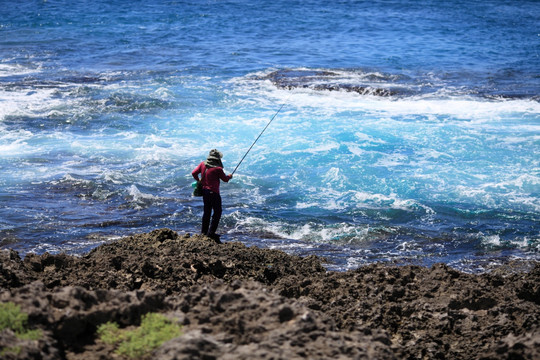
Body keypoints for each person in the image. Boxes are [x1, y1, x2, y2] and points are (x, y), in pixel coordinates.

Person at [192, 149, 232, 243]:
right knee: (217, 212)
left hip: (205, 192)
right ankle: (211, 233)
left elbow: (194, 173)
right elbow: (225, 179)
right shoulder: (218, 169)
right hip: (214, 193)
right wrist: (230, 176)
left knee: (207, 212)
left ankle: (204, 232)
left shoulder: (203, 164)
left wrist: (199, 181)